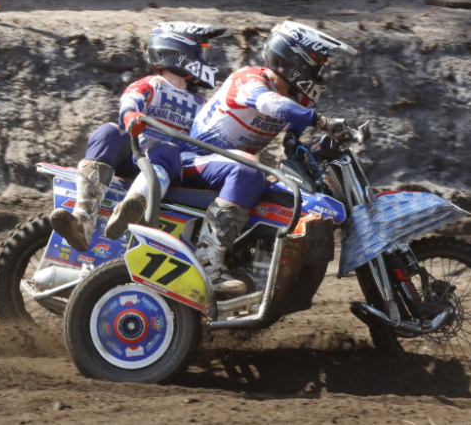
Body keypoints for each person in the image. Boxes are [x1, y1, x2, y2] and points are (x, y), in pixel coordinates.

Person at [181, 21, 358, 296]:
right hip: (196, 161)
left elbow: (294, 133)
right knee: (250, 170)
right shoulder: (249, 78)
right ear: (294, 61)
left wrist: (310, 146)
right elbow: (269, 104)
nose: (320, 73)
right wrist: (322, 122)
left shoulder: (299, 99)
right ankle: (208, 261)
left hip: (231, 171)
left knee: (289, 194)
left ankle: (260, 273)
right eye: (317, 65)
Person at [49, 22, 232, 253]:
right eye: (201, 50)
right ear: (182, 53)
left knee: (166, 149)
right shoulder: (152, 84)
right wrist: (131, 116)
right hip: (136, 154)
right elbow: (131, 99)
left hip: (168, 164)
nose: (204, 58)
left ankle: (132, 207)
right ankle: (82, 219)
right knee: (108, 132)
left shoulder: (202, 104)